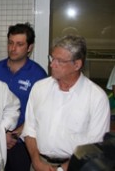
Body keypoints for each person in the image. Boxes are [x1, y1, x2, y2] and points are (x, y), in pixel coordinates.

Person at [22, 35, 110, 171]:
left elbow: (95, 145)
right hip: (39, 163)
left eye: (59, 61)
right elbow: (30, 129)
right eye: (52, 58)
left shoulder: (96, 97)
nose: (52, 64)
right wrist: (36, 161)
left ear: (77, 64)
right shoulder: (39, 88)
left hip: (76, 166)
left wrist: (62, 169)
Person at [0, 23, 47, 171]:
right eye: (10, 43)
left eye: (19, 44)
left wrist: (13, 136)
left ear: (29, 47)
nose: (13, 48)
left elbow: (40, 112)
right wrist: (0, 135)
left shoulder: (39, 75)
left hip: (20, 143)